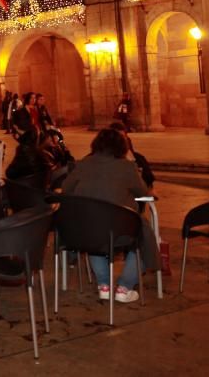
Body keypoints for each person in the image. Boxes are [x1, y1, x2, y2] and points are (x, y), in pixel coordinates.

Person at [61, 128, 156, 303]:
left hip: (86, 230)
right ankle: (125, 286)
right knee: (144, 238)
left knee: (95, 233)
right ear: (122, 147)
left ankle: (104, 285)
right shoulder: (127, 167)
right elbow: (142, 191)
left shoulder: (83, 164)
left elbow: (66, 188)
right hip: (121, 231)